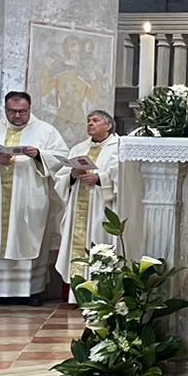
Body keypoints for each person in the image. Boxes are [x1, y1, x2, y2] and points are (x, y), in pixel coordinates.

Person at [0, 92, 69, 301]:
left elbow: (63, 158)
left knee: (29, 238)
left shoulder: (45, 131)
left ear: (29, 109)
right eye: (12, 112)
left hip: (30, 198)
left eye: (22, 112)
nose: (17, 116)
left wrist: (40, 155)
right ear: (5, 109)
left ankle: (31, 291)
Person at [55, 110, 142, 296]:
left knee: (100, 243)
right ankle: (77, 294)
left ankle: (101, 292)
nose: (90, 124)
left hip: (102, 206)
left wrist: (100, 179)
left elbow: (127, 176)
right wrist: (72, 175)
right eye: (88, 120)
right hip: (79, 203)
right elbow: (61, 176)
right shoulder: (79, 148)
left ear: (108, 125)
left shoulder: (120, 147)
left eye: (95, 120)